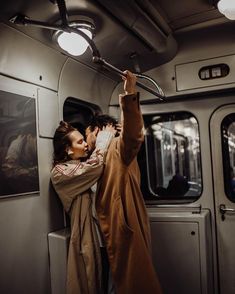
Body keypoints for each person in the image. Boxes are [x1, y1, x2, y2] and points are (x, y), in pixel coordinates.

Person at [86, 70, 162, 294]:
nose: (86, 139)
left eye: (87, 133)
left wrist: (129, 92)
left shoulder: (118, 147)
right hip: (100, 237)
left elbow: (133, 134)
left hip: (118, 230)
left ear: (98, 130)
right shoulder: (94, 157)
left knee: (123, 285)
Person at [50, 121, 116, 294]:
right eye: (80, 142)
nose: (85, 144)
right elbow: (94, 167)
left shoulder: (79, 165)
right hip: (89, 236)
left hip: (103, 235)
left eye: (83, 140)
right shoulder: (60, 172)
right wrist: (104, 138)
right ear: (68, 149)